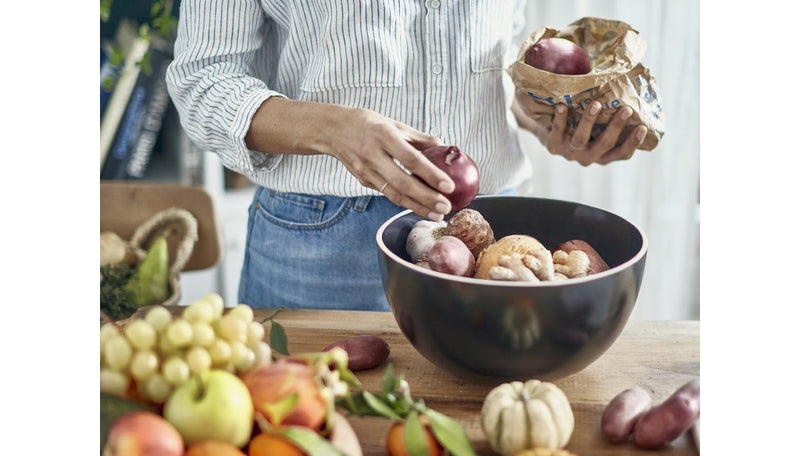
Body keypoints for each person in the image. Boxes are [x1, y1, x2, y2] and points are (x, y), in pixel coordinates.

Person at [166, 1, 647, 311]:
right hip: (320, 250)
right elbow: (203, 80)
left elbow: (496, 64)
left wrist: (551, 117)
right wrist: (335, 129)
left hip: (493, 237)